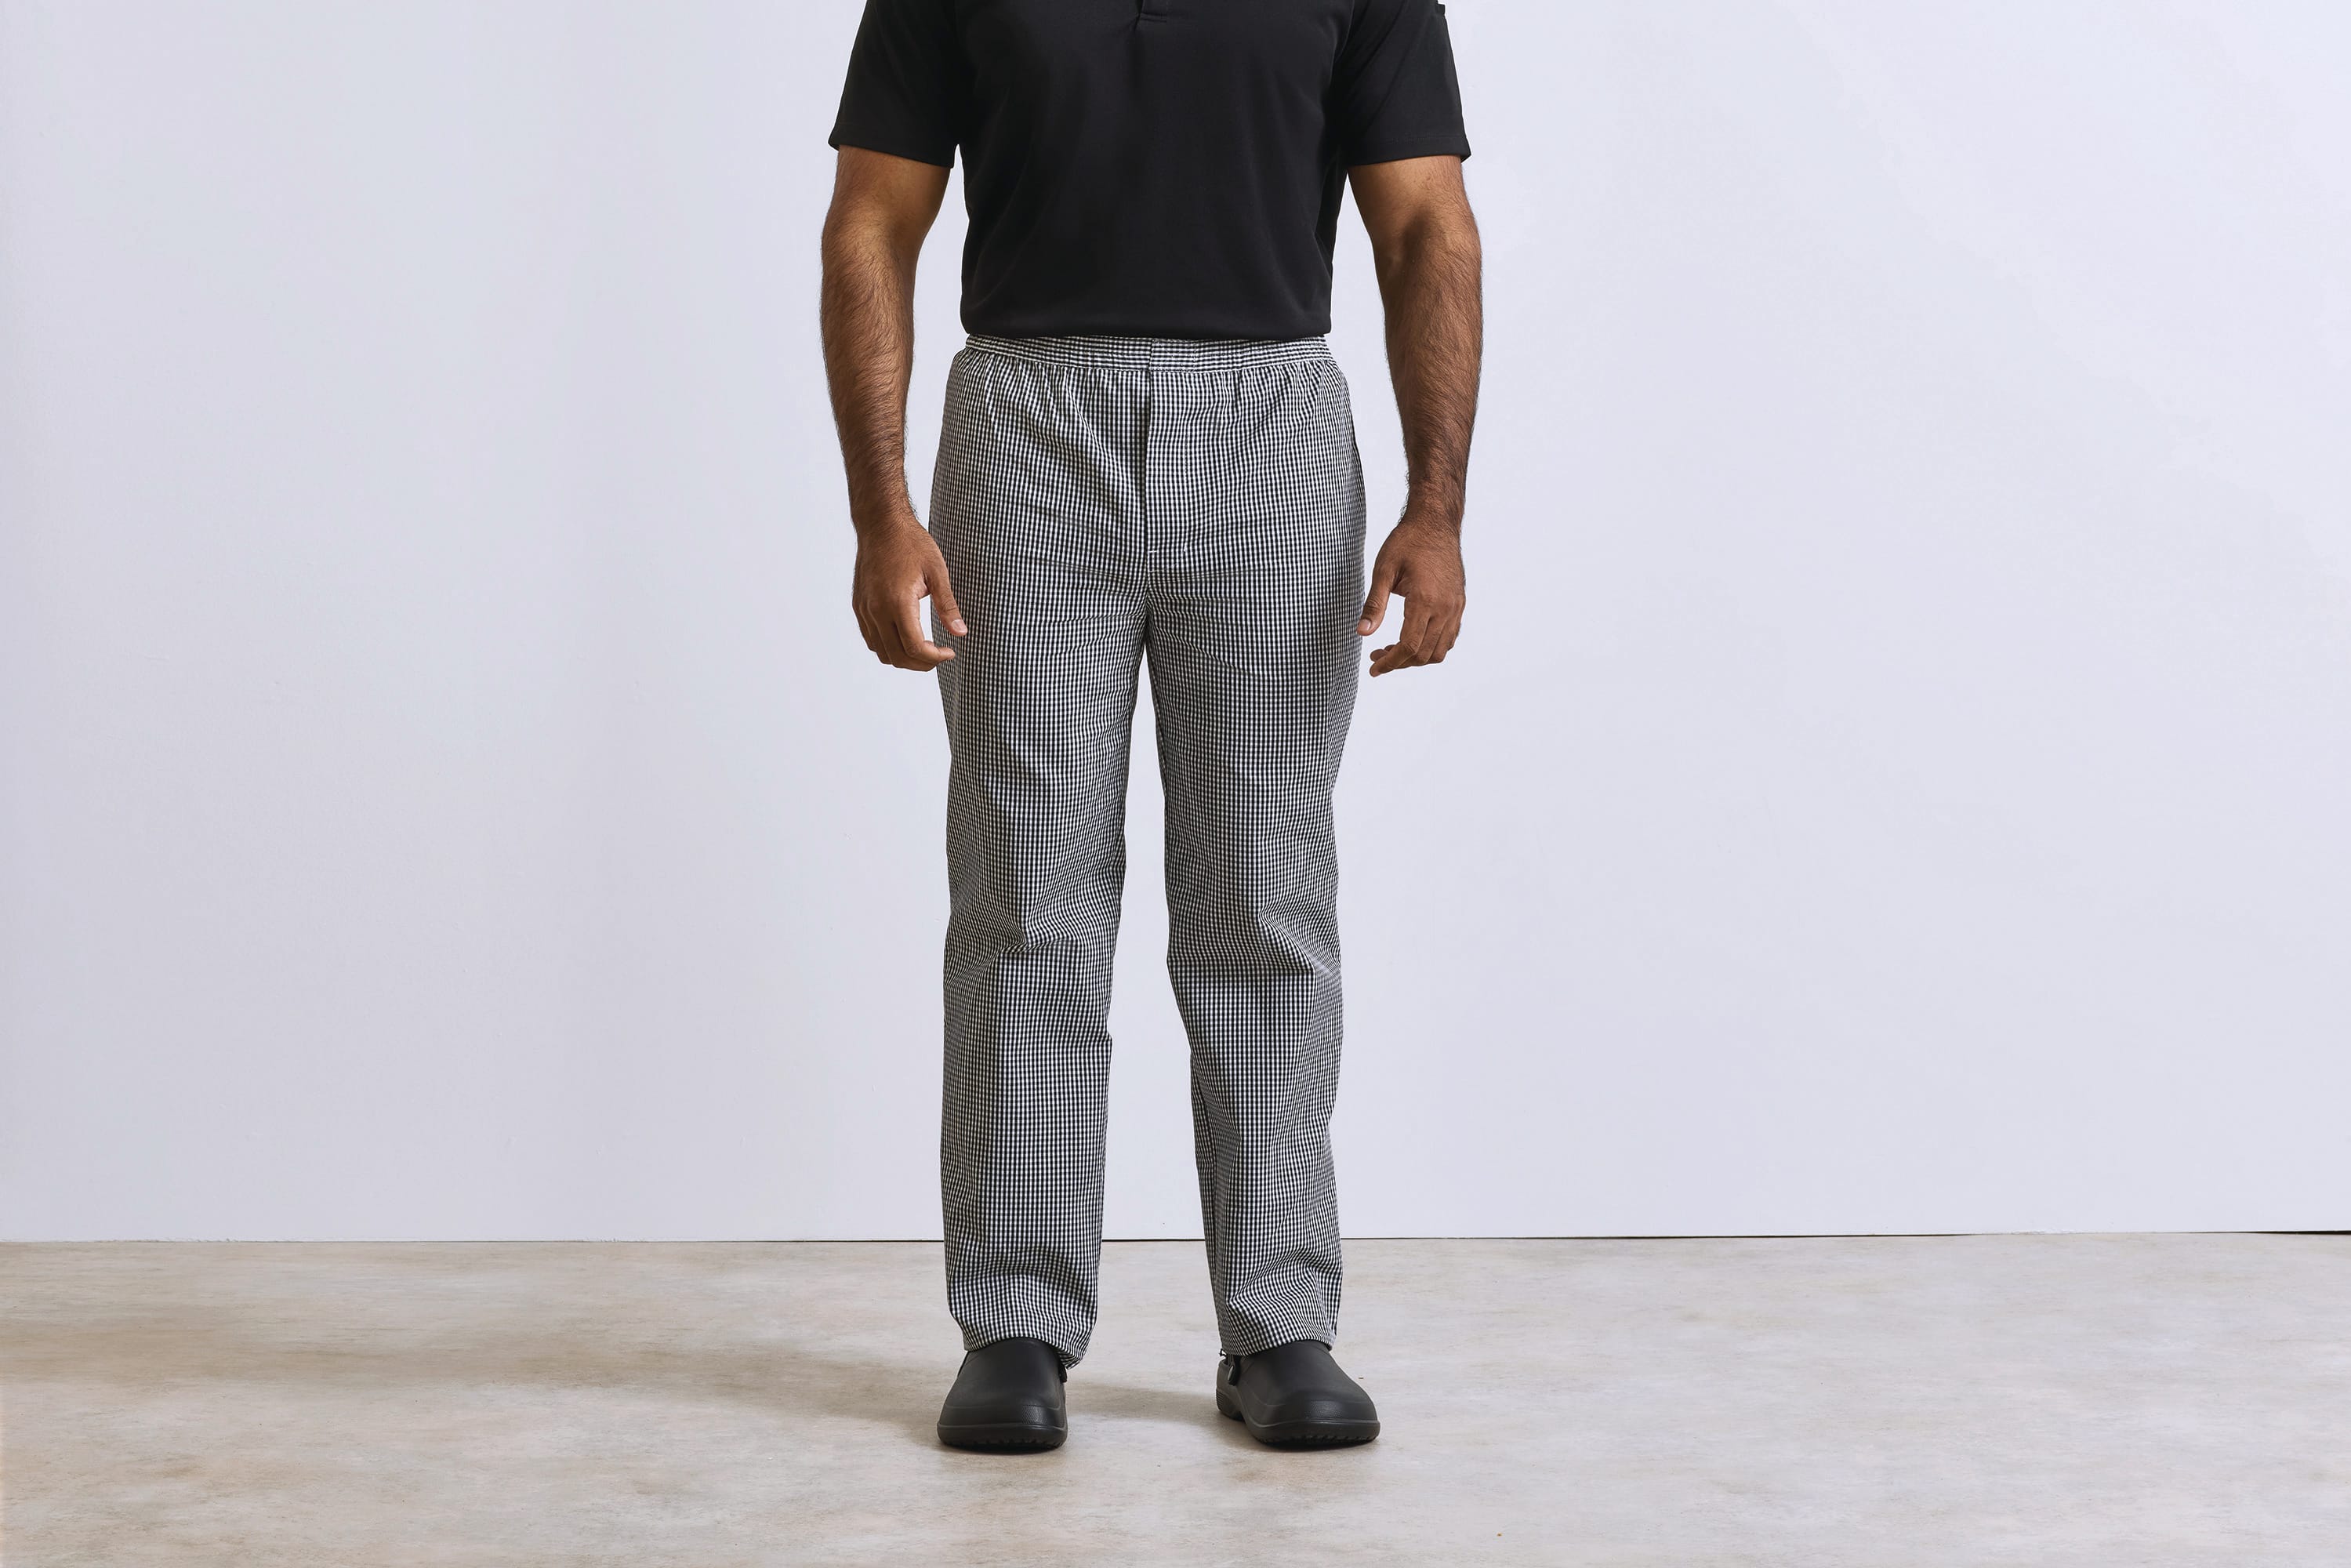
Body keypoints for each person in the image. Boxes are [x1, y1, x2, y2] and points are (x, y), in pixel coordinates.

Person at [819, 0, 1480, 1453]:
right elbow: (871, 219)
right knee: (1024, 896)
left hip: (1272, 418)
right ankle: (1016, 1323)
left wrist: (1437, 506)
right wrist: (881, 508)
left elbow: (1427, 223)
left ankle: (1281, 1323)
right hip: (1023, 417)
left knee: (1266, 892)